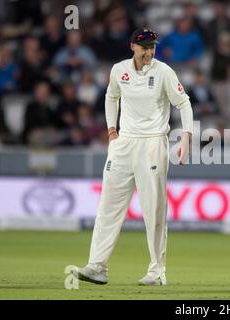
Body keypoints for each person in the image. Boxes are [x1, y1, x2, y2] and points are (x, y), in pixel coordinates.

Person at [73, 27, 193, 286]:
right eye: (144, 47)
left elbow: (183, 103)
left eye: (152, 47)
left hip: (153, 142)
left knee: (154, 209)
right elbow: (111, 96)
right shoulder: (119, 70)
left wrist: (186, 137)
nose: (149, 51)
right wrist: (111, 129)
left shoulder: (164, 72)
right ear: (133, 47)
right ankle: (97, 266)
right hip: (123, 143)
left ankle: (157, 270)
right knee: (108, 206)